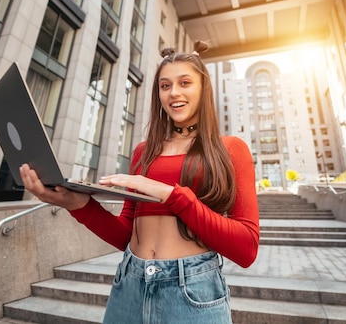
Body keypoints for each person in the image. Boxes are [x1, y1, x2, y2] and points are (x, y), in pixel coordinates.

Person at [20, 40, 260, 323]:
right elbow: (126, 235)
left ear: (203, 89)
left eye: (185, 83)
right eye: (165, 85)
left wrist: (171, 195)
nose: (174, 93)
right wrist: (79, 205)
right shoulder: (143, 152)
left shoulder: (230, 149)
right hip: (130, 283)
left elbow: (246, 249)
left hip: (192, 289)